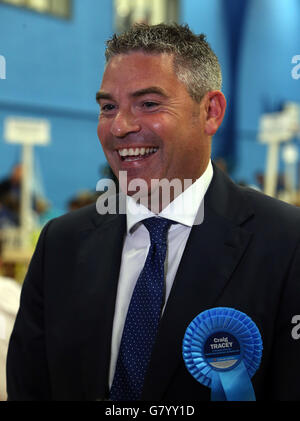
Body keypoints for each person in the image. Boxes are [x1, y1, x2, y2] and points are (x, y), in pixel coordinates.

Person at [6, 23, 300, 401]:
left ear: (210, 112)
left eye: (148, 104)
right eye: (108, 107)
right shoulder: (61, 244)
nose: (120, 126)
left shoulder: (285, 243)